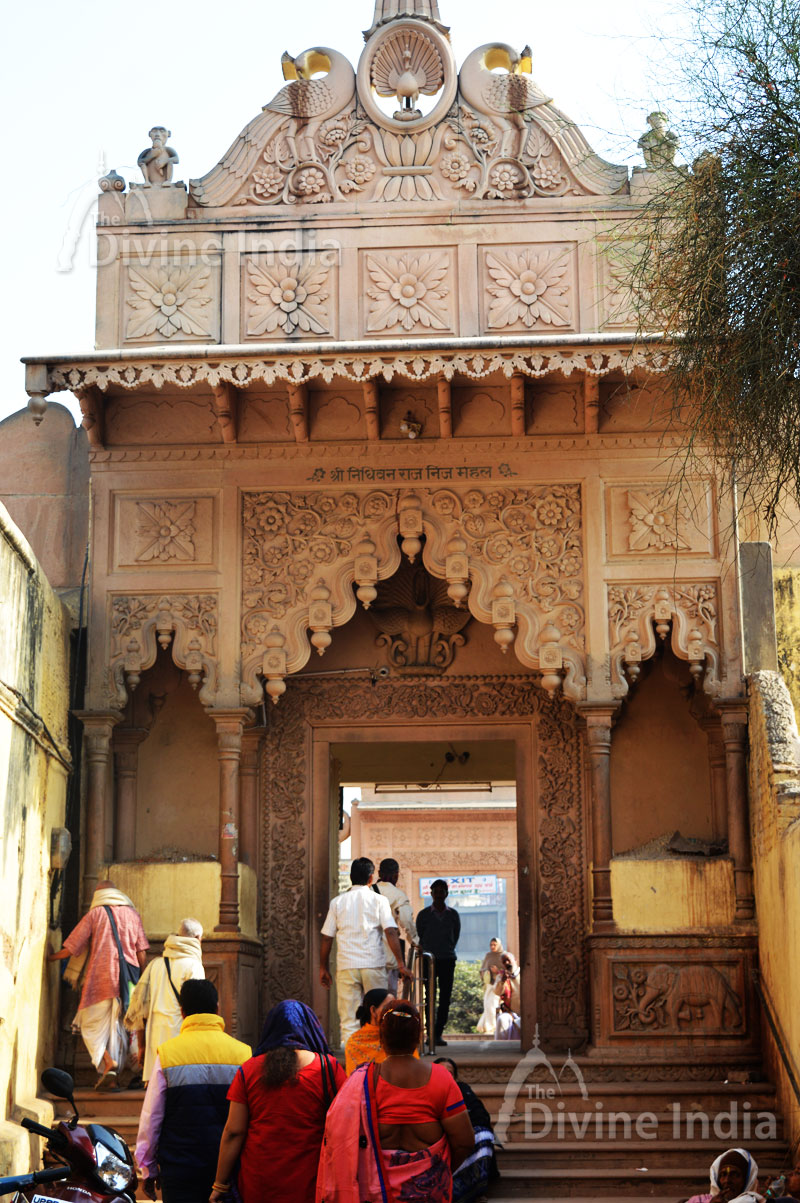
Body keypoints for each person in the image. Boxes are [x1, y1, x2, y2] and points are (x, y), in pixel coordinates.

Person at [317, 1001, 475, 1203]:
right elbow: (464, 1142)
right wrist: (440, 1173)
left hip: (375, 1195)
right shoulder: (441, 1079)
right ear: (419, 1037)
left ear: (381, 1037)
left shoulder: (362, 1081)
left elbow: (340, 1141)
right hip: (430, 1193)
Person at [210, 1000, 345, 1203]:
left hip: (258, 1184)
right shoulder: (328, 1068)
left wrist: (220, 1184)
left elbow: (234, 1132)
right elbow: (344, 1126)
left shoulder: (249, 1070)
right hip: (311, 1183)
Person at [134, 979, 250, 1203]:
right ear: (217, 1009)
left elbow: (152, 1118)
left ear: (182, 1011)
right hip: (229, 1168)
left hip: (180, 1167)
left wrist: (148, 1168)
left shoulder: (168, 1054)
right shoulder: (243, 1054)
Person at [48, 879, 149, 1090]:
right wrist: (142, 981)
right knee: (118, 1029)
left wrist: (50, 957)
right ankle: (110, 1079)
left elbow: (73, 946)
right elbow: (141, 953)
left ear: (99, 895)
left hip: (101, 980)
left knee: (89, 1025)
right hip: (129, 982)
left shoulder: (95, 914)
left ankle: (107, 1062)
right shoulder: (133, 915)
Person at [320, 857, 412, 1045]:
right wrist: (401, 964)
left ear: (351, 877)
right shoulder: (379, 900)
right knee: (380, 1015)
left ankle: (353, 1059)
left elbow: (327, 937)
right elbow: (391, 932)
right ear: (371, 878)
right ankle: (377, 1058)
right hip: (373, 965)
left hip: (347, 966)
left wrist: (323, 967)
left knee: (349, 1020)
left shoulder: (337, 902)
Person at [125, 917, 204, 1085]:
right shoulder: (193, 966)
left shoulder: (155, 965)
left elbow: (140, 1009)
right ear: (198, 938)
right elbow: (198, 1009)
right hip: (181, 1038)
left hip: (155, 1038)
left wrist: (141, 1046)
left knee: (157, 1090)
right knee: (179, 1086)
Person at [434, 1057, 500, 1203]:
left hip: (462, 1138)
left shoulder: (462, 1089)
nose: (446, 1075)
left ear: (455, 1077)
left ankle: (476, 1190)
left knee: (483, 1135)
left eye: (450, 1072)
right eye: (441, 1072)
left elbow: (481, 1116)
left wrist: (460, 1129)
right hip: (435, 1142)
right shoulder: (426, 1091)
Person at [416, 879, 461, 1046]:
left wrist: (446, 949)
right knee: (429, 996)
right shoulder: (424, 915)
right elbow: (420, 935)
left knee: (445, 998)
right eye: (436, 892)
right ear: (431, 894)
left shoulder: (453, 915)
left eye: (442, 892)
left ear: (446, 894)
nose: (439, 895)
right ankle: (430, 1033)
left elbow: (455, 936)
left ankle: (438, 1033)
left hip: (447, 959)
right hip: (428, 960)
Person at [345, 988, 420, 1075]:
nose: (394, 1013)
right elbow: (354, 1079)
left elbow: (414, 1071)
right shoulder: (354, 1043)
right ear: (373, 1011)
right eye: (388, 1008)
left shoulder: (400, 1035)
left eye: (395, 1009)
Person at [373, 858, 419, 993]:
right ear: (396, 875)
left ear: (379, 873)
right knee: (388, 999)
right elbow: (406, 921)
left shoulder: (367, 892)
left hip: (366, 959)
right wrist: (415, 941)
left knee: (369, 1000)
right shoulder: (398, 895)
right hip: (387, 957)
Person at [685, 1148, 763, 1203]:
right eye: (723, 1174)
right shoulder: (704, 1200)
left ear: (747, 1179)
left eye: (734, 1174)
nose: (727, 1180)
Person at [476, 938, 505, 1036]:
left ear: (499, 945)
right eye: (491, 945)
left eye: (494, 945)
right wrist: (486, 972)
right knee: (487, 1005)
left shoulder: (503, 956)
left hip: (498, 985)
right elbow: (482, 969)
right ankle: (488, 1027)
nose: (492, 947)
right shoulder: (488, 956)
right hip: (489, 984)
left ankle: (492, 1027)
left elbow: (508, 971)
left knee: (492, 1005)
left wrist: (498, 971)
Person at [493, 953, 521, 1040]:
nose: (507, 963)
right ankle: (500, 1047)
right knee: (502, 1020)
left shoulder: (525, 973)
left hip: (527, 1013)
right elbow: (497, 992)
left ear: (515, 960)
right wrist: (502, 981)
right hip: (511, 1014)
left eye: (508, 960)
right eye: (504, 961)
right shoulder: (501, 976)